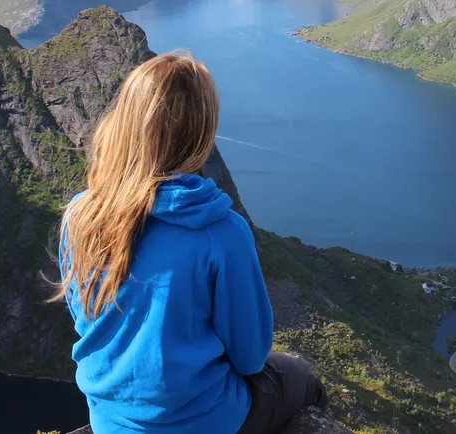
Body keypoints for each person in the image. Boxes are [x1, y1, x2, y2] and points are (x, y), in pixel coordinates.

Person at [55, 52, 327, 434]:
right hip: (202, 421)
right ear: (201, 132)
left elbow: (86, 320)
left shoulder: (81, 215)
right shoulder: (221, 232)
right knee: (301, 378)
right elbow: (250, 358)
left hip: (110, 421)